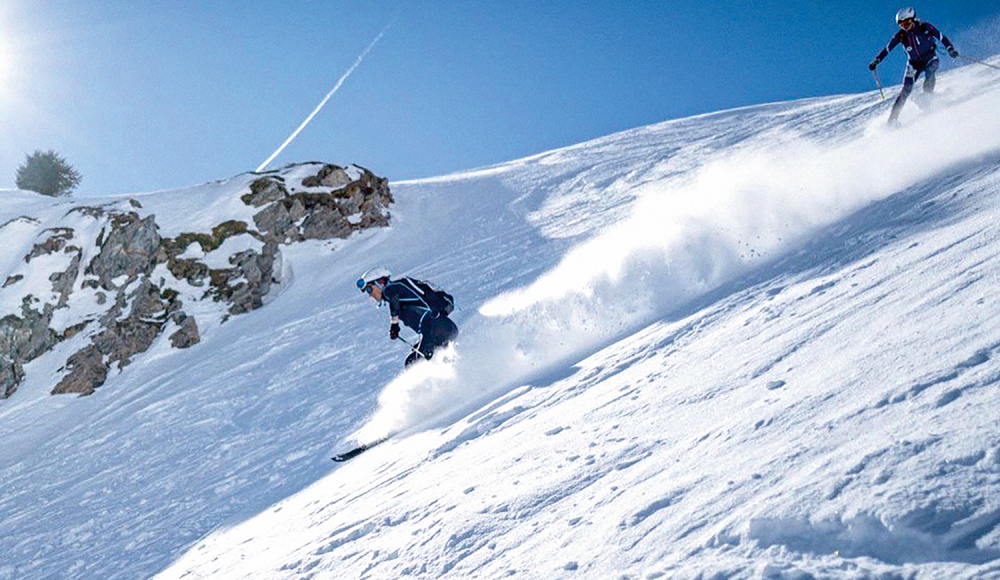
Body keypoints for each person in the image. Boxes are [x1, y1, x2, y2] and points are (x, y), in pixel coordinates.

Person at [868, 7, 959, 125]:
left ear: (913, 19)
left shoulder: (925, 27)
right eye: (902, 25)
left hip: (930, 58)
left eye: (907, 23)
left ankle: (928, 99)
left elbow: (941, 37)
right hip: (913, 64)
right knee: (905, 90)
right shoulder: (901, 36)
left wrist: (950, 49)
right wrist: (877, 60)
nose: (905, 27)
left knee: (931, 71)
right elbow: (887, 49)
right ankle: (892, 121)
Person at [356, 267, 458, 367]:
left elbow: (394, 300)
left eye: (369, 289)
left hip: (435, 328)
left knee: (412, 363)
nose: (370, 295)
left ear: (380, 283)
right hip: (446, 328)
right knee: (440, 364)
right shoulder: (402, 290)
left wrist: (394, 325)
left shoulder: (392, 289)